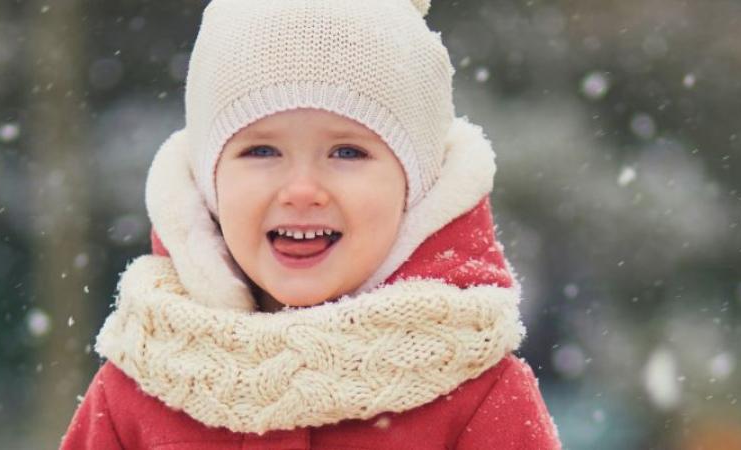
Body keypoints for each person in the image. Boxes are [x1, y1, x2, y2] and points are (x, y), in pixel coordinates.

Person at [62, 0, 559, 447]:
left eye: (347, 151)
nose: (302, 190)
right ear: (207, 181)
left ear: (417, 190)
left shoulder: (477, 393)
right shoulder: (141, 389)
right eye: (261, 150)